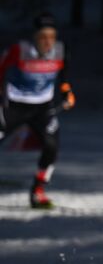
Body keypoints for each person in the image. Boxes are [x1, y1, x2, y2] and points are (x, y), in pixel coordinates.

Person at [0, 13, 75, 209]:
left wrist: (67, 93)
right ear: (35, 37)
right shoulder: (20, 50)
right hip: (15, 104)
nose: (48, 42)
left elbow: (64, 76)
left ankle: (38, 190)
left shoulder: (60, 50)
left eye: (52, 37)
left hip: (43, 107)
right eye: (43, 37)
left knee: (51, 146)